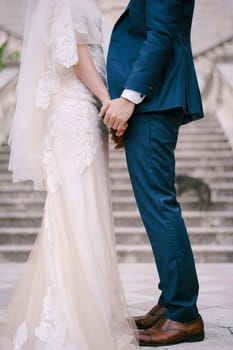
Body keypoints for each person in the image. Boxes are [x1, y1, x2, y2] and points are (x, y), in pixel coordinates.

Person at [0, 0, 139, 349]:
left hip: (78, 110)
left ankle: (87, 304)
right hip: (75, 113)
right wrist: (108, 101)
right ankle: (75, 311)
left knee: (79, 210)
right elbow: (74, 53)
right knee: (77, 211)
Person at [101, 0, 205, 347]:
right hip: (155, 100)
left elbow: (160, 35)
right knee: (157, 206)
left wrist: (129, 97)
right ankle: (173, 301)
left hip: (153, 100)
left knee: (159, 206)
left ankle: (184, 314)